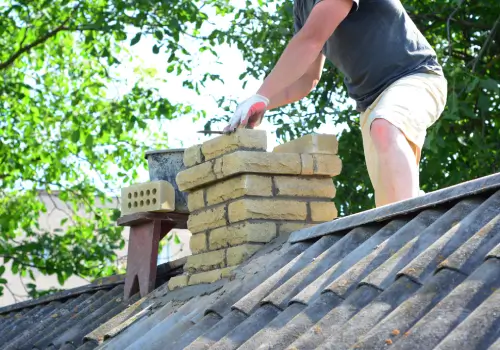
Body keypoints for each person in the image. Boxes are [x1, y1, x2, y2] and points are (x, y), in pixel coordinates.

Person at [223, 0, 448, 208]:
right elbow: (306, 79)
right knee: (389, 204)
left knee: (385, 126)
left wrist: (262, 95)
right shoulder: (303, 7)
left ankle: (411, 222)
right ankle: (414, 225)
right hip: (371, 106)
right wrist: (261, 103)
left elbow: (311, 40)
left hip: (417, 77)